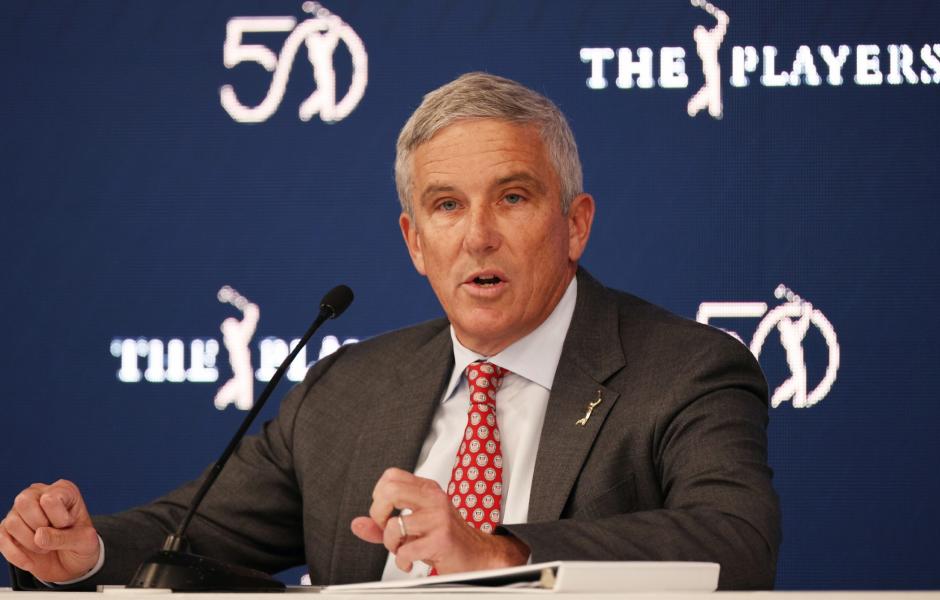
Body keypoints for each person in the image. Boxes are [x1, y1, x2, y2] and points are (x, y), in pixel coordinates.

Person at [1, 72, 780, 591]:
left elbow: (736, 542)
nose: (478, 237)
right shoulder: (348, 390)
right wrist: (84, 549)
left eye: (512, 198)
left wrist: (499, 554)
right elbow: (192, 534)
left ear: (575, 224)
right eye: (447, 206)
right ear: (414, 242)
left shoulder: (686, 371)